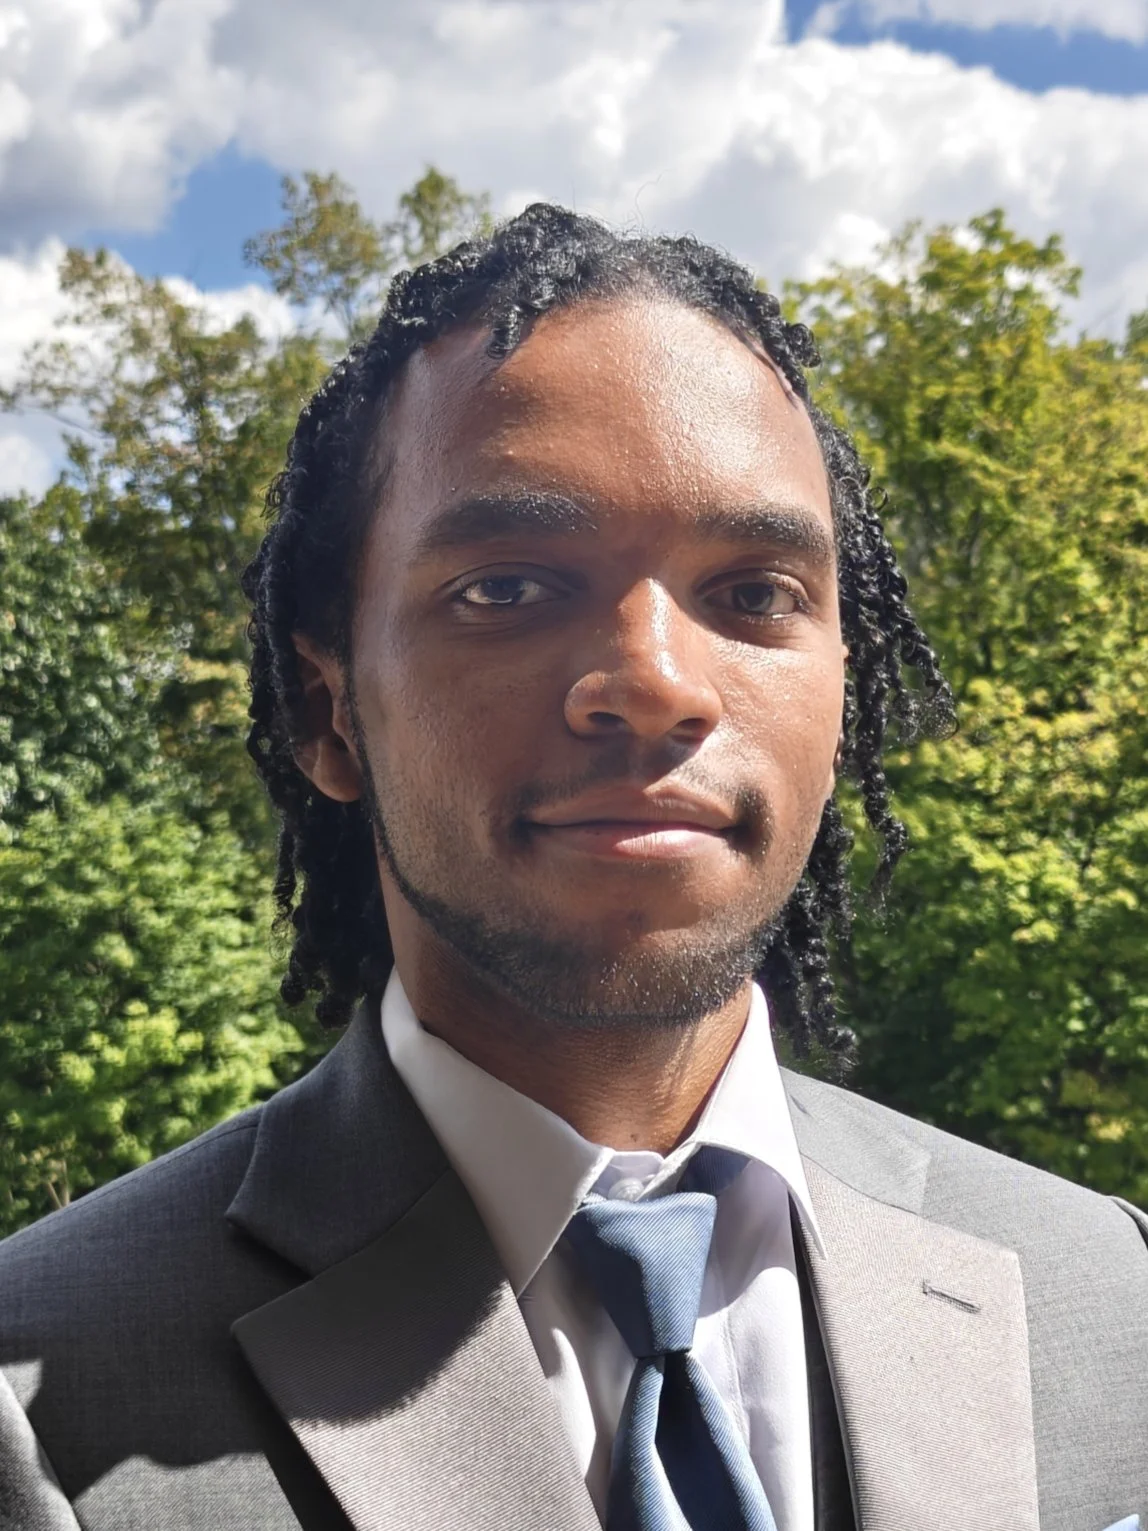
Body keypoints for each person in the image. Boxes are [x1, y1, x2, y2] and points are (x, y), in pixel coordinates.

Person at [0, 205, 1144, 1531]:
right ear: (326, 712)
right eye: (509, 587)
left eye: (756, 592)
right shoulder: (37, 1409)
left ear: (843, 688)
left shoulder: (1102, 1290)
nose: (656, 685)